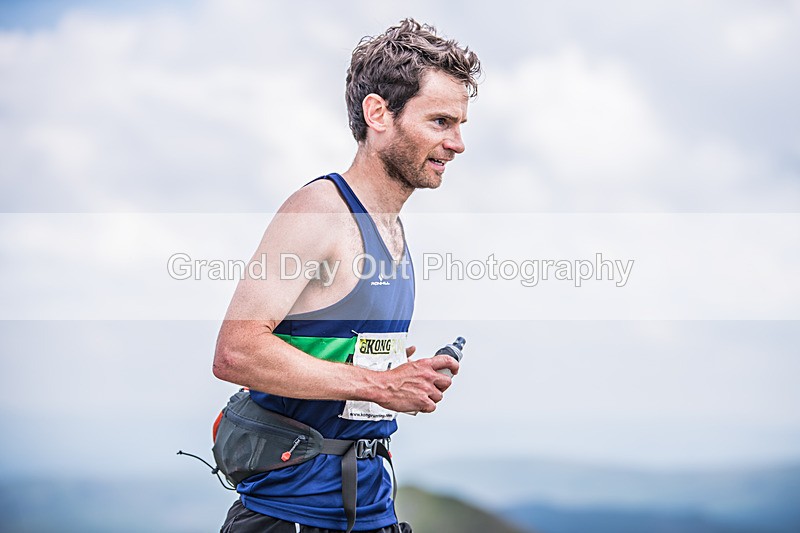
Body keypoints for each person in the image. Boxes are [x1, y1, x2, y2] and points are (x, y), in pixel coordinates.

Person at [212, 18, 481, 533]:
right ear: (378, 113)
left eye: (460, 124)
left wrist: (388, 374)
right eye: (441, 121)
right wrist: (380, 387)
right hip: (291, 516)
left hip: (370, 509)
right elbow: (236, 352)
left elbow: (320, 351)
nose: (458, 143)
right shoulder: (318, 212)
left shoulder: (392, 229)